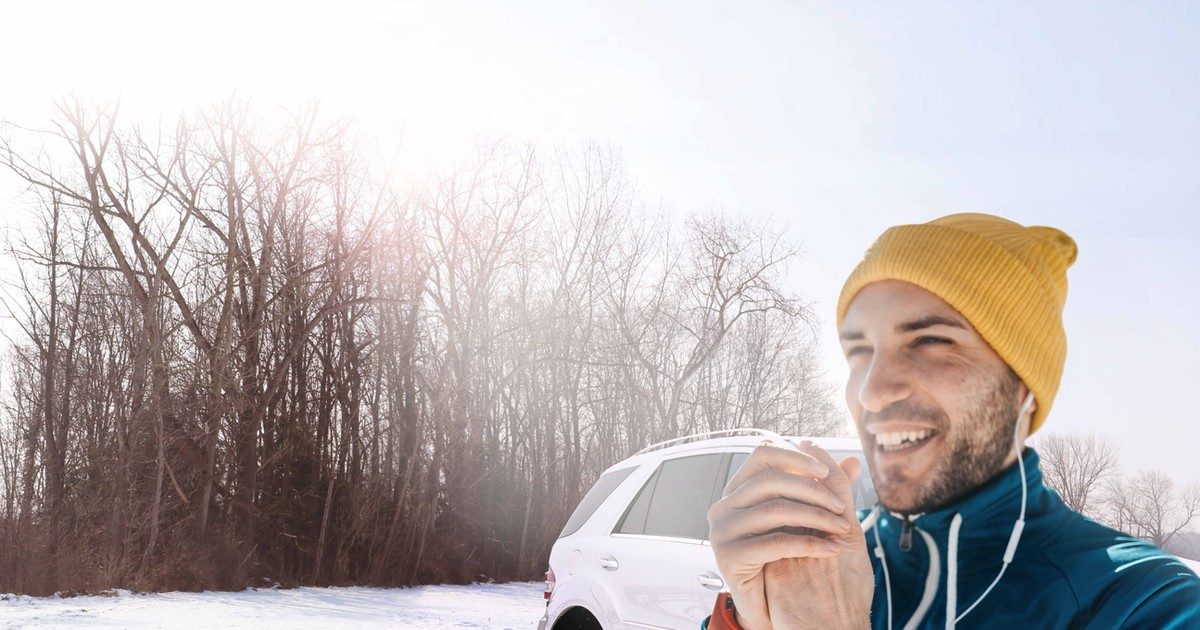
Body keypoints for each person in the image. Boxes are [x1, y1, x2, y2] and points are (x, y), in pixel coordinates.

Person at [703, 213, 1200, 629]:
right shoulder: (813, 564)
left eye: (930, 341)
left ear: (1024, 387)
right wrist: (742, 619)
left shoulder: (1144, 602)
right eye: (859, 352)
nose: (873, 391)